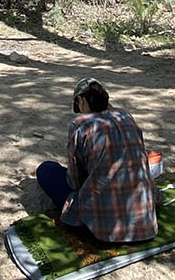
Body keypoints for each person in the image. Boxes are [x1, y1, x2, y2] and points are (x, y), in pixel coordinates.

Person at [35, 77, 160, 244]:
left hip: (104, 229)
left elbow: (75, 182)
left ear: (80, 100)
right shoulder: (126, 115)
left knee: (46, 170)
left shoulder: (80, 124)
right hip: (146, 224)